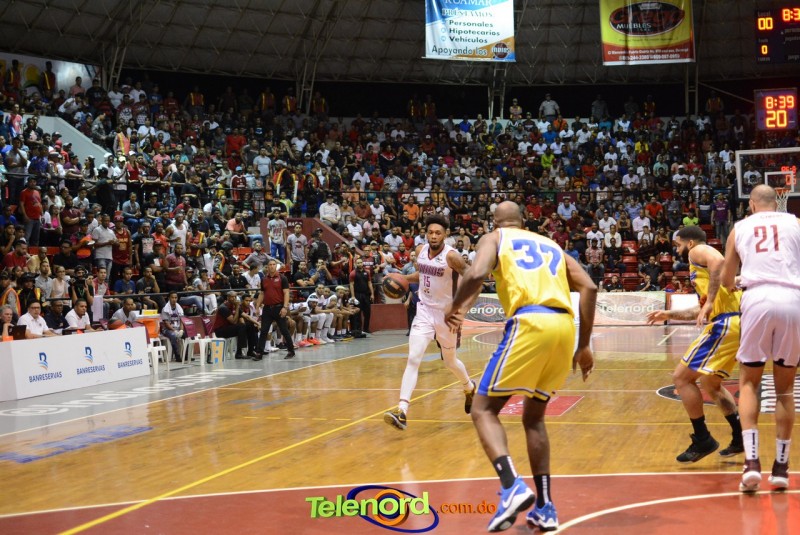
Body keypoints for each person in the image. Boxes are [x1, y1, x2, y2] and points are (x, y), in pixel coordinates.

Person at [443, 201, 596, 532]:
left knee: (483, 409)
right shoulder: (551, 245)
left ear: (495, 221)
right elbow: (589, 286)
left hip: (529, 321)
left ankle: (511, 485)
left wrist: (455, 306)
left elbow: (476, 273)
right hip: (564, 328)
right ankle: (545, 507)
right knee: (534, 418)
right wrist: (584, 344)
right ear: (523, 221)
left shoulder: (495, 238)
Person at [720, 185, 800, 492]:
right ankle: (781, 469)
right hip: (792, 299)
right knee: (785, 389)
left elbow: (726, 279)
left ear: (752, 204)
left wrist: (736, 282)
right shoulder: (795, 222)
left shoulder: (739, 228)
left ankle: (751, 463)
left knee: (749, 383)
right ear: (777, 202)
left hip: (757, 299)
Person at [646, 226, 743, 464]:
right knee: (711, 383)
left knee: (681, 378)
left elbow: (718, 261)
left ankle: (702, 439)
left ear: (689, 243)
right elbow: (701, 310)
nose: (677, 249)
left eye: (678, 244)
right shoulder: (707, 277)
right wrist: (668, 314)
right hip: (734, 323)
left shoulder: (697, 251)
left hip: (726, 323)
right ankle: (740, 437)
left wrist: (710, 302)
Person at [384, 215, 476, 431]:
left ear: (445, 235)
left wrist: (462, 312)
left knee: (450, 362)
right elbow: (423, 274)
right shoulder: (420, 251)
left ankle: (469, 387)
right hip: (424, 310)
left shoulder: (452, 257)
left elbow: (473, 280)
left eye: (438, 233)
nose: (434, 236)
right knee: (413, 358)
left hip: (446, 315)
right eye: (431, 232)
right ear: (426, 233)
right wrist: (402, 278)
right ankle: (402, 411)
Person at [253, 259, 295, 360]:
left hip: (279, 307)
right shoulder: (264, 279)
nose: (272, 266)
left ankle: (291, 351)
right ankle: (259, 353)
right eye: (270, 265)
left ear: (276, 266)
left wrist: (285, 307)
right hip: (267, 308)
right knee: (263, 330)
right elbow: (262, 294)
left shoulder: (282, 278)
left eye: (273, 264)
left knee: (284, 330)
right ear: (267, 267)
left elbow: (286, 293)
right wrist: (257, 307)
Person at [211, 291, 249, 360]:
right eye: (232, 297)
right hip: (220, 331)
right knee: (241, 326)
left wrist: (258, 324)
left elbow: (246, 316)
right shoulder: (223, 307)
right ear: (228, 298)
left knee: (250, 326)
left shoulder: (233, 305)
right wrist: (237, 307)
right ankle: (239, 353)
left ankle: (251, 350)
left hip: (228, 328)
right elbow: (234, 322)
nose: (234, 298)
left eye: (235, 297)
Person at [161, 292, 185, 360]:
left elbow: (182, 321)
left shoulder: (179, 308)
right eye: (172, 297)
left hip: (177, 328)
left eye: (175, 298)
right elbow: (166, 323)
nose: (174, 299)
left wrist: (181, 330)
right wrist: (174, 331)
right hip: (167, 329)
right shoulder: (165, 309)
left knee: (187, 334)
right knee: (173, 335)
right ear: (169, 298)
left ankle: (185, 355)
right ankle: (177, 356)